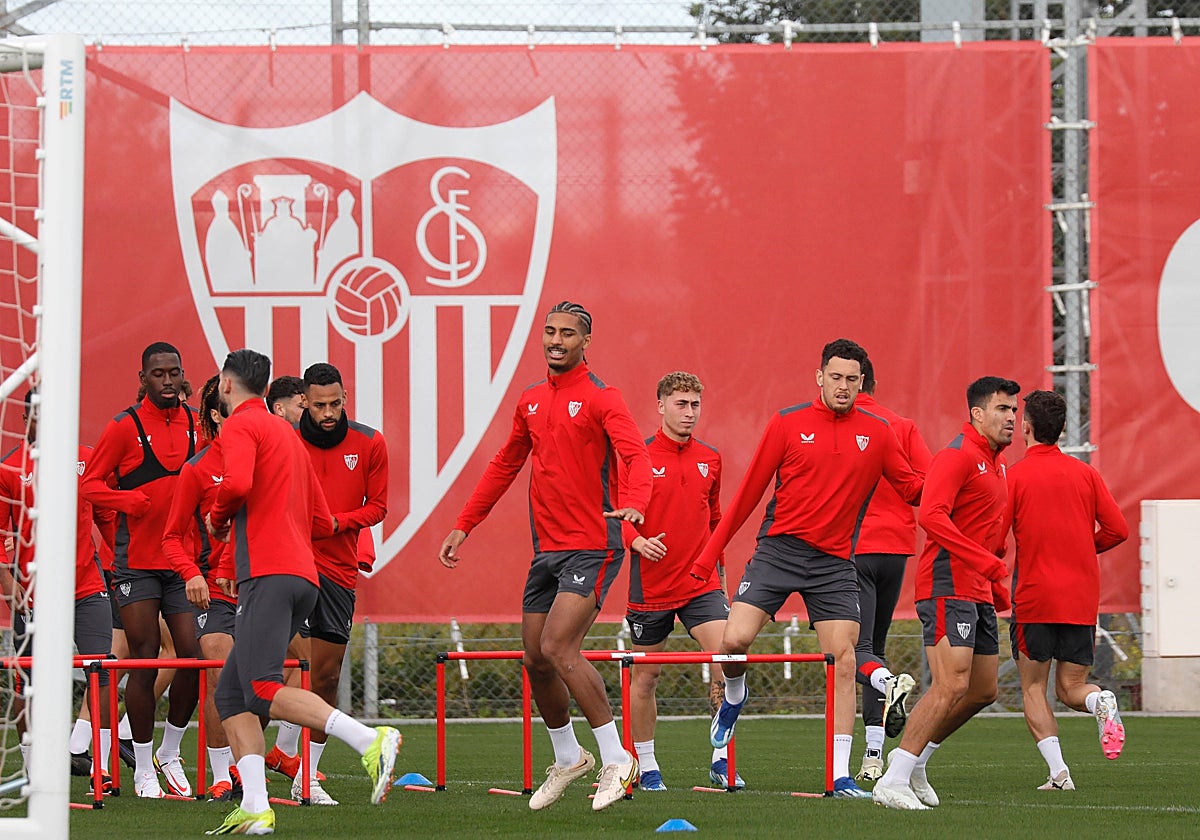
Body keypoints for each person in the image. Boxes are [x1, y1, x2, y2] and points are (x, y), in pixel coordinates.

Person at [439, 301, 652, 813]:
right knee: (534, 658)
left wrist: (637, 505)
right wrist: (464, 523)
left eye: (568, 334)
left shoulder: (603, 396)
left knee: (559, 646)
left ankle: (618, 759)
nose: (557, 340)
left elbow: (637, 455)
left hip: (594, 543)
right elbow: (505, 463)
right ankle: (567, 756)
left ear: (586, 341)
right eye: (550, 332)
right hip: (547, 551)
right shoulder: (531, 399)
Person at [691, 338, 923, 799]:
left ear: (862, 384)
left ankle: (840, 778)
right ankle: (734, 699)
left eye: (851, 380)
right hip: (778, 552)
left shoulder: (878, 433)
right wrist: (704, 559)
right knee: (733, 640)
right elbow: (747, 497)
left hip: (835, 563)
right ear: (819, 377)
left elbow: (915, 489)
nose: (842, 387)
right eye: (834, 377)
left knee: (844, 658)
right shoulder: (787, 423)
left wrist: (960, 485)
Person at [204, 348, 399, 835]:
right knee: (232, 695)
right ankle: (255, 805)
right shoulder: (288, 439)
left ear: (227, 385)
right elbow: (317, 517)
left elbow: (237, 484)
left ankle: (370, 740)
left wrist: (218, 518)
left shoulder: (242, 427)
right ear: (273, 391)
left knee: (264, 687)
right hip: (304, 577)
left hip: (271, 574)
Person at [873, 376, 1020, 811]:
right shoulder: (957, 455)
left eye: (1015, 410)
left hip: (977, 589)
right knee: (950, 682)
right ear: (977, 413)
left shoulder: (998, 463)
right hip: (946, 584)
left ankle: (916, 759)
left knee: (983, 690)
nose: (1011, 417)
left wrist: (993, 578)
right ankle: (892, 779)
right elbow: (931, 518)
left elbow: (988, 530)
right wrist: (985, 562)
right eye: (1002, 409)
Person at [80, 342, 201, 798]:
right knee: (146, 653)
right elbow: (91, 485)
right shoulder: (123, 427)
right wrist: (125, 500)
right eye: (158, 374)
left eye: (174, 373)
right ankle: (142, 766)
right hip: (135, 563)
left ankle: (170, 752)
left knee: (193, 657)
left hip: (182, 561)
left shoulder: (195, 423)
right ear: (143, 377)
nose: (167, 381)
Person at [271, 362, 388, 805]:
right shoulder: (283, 437)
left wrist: (338, 522)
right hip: (288, 563)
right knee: (267, 665)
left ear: (344, 397)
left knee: (325, 674)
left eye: (335, 403)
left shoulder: (370, 442)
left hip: (338, 571)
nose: (327, 412)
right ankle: (238, 770)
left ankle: (307, 773)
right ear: (303, 401)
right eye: (318, 404)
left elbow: (378, 507)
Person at [1000, 389, 1129, 790]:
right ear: (1062, 429)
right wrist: (1079, 546)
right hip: (1080, 597)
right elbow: (1118, 530)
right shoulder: (1085, 473)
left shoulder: (1015, 475)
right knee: (1073, 689)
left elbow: (995, 537)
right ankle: (1100, 701)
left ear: (1028, 427)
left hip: (1035, 596)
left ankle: (1059, 773)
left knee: (1034, 687)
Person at [621, 371, 743, 792]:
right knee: (645, 678)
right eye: (680, 404)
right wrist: (637, 543)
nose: (689, 412)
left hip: (701, 584)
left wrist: (721, 576)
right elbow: (625, 520)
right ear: (660, 406)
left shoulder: (711, 457)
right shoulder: (638, 457)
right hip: (651, 587)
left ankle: (721, 760)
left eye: (694, 405)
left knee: (731, 656)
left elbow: (715, 523)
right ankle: (649, 766)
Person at [0, 388, 115, 790]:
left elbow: (106, 515)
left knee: (103, 670)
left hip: (86, 584)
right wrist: (7, 577)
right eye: (38, 414)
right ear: (26, 419)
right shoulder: (10, 467)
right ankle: (33, 771)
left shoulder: (86, 459)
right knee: (27, 681)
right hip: (34, 592)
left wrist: (120, 563)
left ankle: (94, 763)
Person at [851, 358, 932, 782]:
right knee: (874, 648)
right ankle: (873, 755)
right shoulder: (902, 425)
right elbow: (930, 480)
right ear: (875, 383)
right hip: (896, 549)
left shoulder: (844, 422)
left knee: (856, 651)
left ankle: (869, 757)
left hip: (852, 547)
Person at [162, 374, 242, 801]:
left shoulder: (271, 458)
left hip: (264, 587)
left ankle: (263, 759)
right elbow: (171, 538)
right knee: (218, 669)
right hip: (214, 590)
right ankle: (220, 776)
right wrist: (191, 573)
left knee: (293, 670)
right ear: (216, 414)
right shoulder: (197, 469)